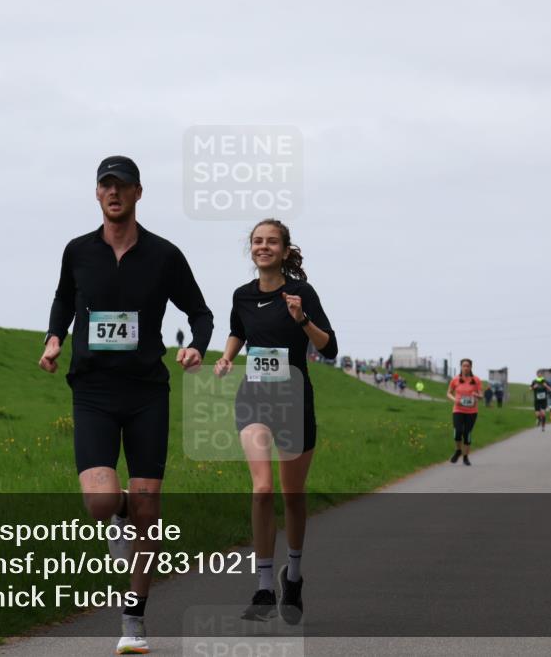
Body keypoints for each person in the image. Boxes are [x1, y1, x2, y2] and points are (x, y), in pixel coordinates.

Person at [39, 156, 213, 655]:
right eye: (105, 185)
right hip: (92, 390)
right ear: (97, 194)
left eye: (122, 186)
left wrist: (197, 344)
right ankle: (119, 517)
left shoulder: (164, 255)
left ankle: (134, 619)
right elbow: (63, 301)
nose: (113, 193)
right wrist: (55, 338)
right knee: (100, 503)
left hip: (145, 392)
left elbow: (199, 311)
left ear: (139, 193)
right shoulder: (78, 251)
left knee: (148, 506)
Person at [214, 218, 337, 626]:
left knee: (293, 495)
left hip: (293, 401)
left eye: (271, 242)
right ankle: (265, 586)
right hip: (253, 398)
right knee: (262, 489)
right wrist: (229, 355)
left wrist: (302, 319)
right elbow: (237, 330)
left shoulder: (301, 292)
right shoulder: (241, 295)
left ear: (285, 251)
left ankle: (295, 576)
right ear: (251, 249)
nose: (263, 247)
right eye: (257, 241)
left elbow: (330, 348)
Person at [445, 358, 483, 466]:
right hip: (458, 410)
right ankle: (458, 451)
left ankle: (465, 457)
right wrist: (454, 400)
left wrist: (477, 396)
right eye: (464, 366)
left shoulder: (476, 380)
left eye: (468, 366)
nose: (466, 368)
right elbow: (448, 393)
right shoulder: (455, 380)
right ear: (461, 367)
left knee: (467, 434)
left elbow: (481, 396)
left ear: (471, 367)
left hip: (472, 412)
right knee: (457, 432)